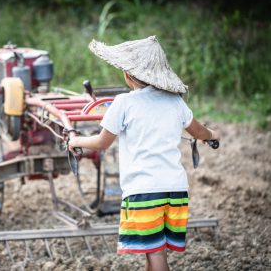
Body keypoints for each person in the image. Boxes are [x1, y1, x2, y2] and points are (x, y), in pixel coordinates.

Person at [68, 36, 220, 271]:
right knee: (153, 252)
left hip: (145, 192)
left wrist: (75, 140)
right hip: (176, 191)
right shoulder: (176, 102)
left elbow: (101, 142)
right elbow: (199, 131)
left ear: (127, 75)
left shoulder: (123, 103)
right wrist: (212, 135)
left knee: (156, 255)